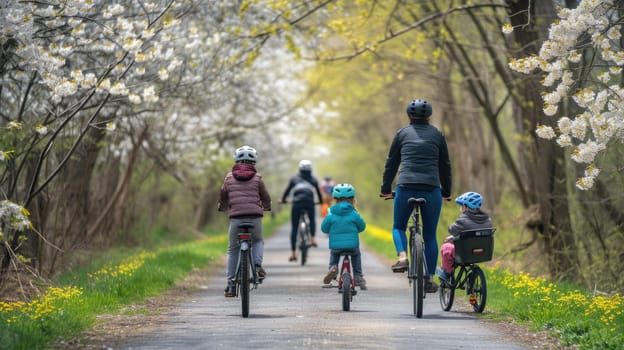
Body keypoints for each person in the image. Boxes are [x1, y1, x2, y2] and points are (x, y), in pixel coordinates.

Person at [379, 98, 452, 293]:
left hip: (406, 186)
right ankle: (428, 277)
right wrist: (446, 191)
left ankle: (403, 257)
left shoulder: (402, 134)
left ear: (409, 115)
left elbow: (391, 162)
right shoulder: (437, 135)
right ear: (429, 116)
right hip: (431, 189)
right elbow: (445, 165)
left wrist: (386, 188)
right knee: (429, 236)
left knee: (398, 226)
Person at [218, 146, 272, 297]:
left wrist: (222, 207)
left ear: (236, 160)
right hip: (255, 217)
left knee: (232, 248)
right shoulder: (257, 178)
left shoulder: (228, 178)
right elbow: (265, 196)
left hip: (236, 219)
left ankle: (230, 285)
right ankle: (256, 265)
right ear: (254, 162)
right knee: (258, 241)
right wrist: (267, 206)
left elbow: (223, 195)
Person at [437, 191, 493, 281]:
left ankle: (447, 273)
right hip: (482, 252)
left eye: (462, 205)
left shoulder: (463, 220)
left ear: (466, 207)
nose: (461, 207)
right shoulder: (488, 220)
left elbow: (451, 229)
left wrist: (452, 235)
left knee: (446, 247)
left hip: (465, 253)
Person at [321, 183, 367, 289]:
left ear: (335, 199)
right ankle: (358, 275)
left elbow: (324, 229)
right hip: (352, 246)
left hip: (336, 247)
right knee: (356, 255)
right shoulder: (354, 214)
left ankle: (332, 268)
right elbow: (362, 227)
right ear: (352, 199)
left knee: (334, 254)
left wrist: (330, 229)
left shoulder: (331, 214)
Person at [281, 160, 323, 262]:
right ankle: (312, 238)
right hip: (309, 203)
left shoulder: (294, 179)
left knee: (295, 227)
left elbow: (286, 191)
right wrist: (320, 202)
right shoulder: (313, 179)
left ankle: (293, 253)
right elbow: (318, 193)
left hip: (296, 203)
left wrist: (283, 200)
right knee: (312, 220)